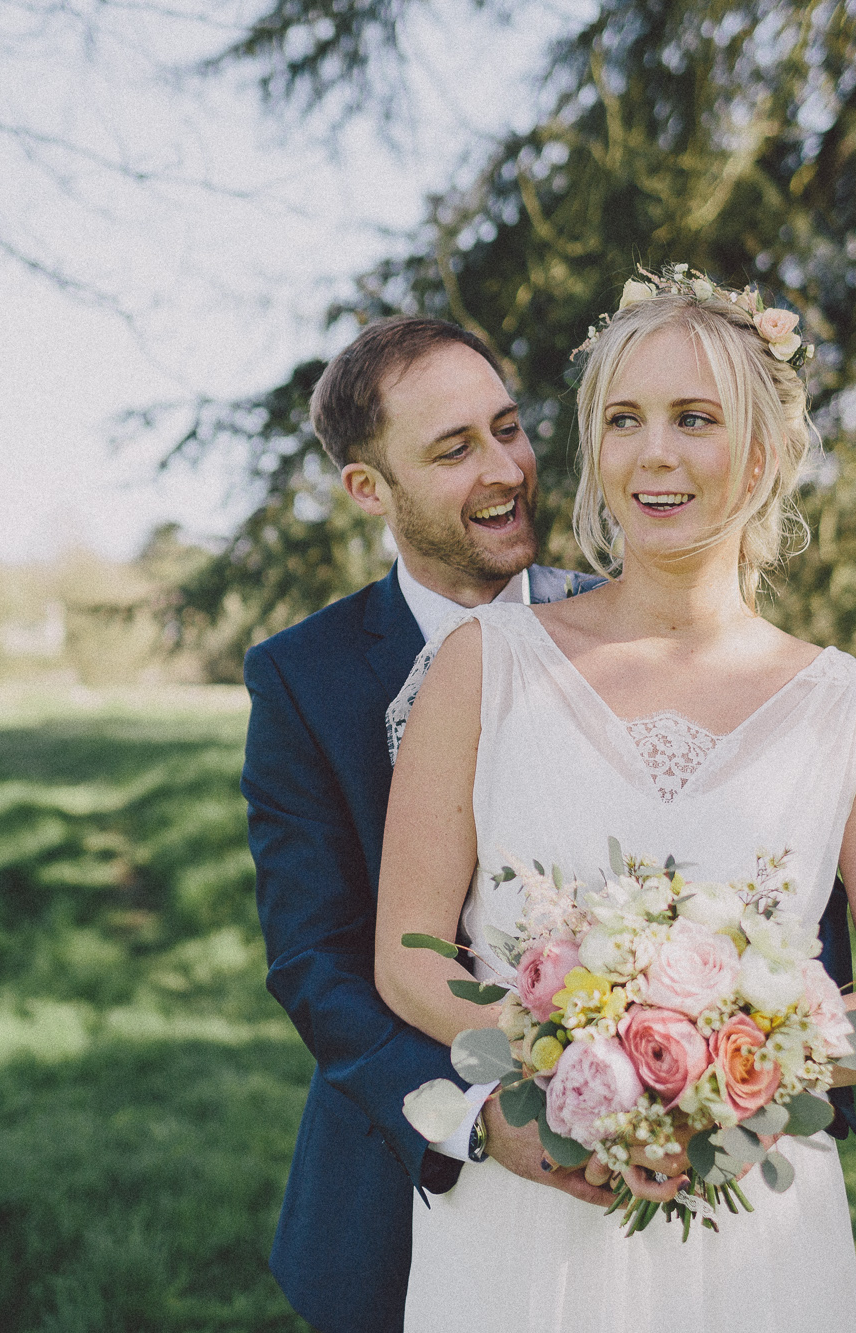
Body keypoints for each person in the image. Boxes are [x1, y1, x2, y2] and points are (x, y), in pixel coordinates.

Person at [373, 274, 856, 1330]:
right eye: (622, 419)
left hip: (755, 1236)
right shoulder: (481, 667)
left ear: (763, 451)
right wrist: (561, 1059)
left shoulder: (849, 708)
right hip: (525, 1229)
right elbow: (407, 949)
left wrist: (739, 1067)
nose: (654, 454)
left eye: (694, 419)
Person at [242, 315, 615, 1333]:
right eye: (453, 450)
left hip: (633, 1162)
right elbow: (312, 958)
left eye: (507, 428)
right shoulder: (302, 678)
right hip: (405, 1180)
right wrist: (477, 1117)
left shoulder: (625, 631)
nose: (504, 469)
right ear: (370, 488)